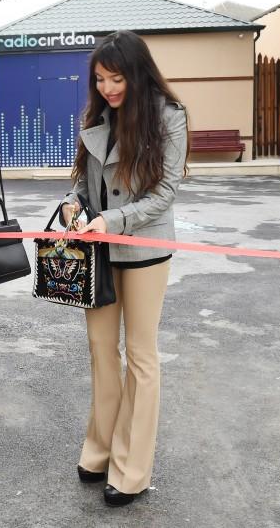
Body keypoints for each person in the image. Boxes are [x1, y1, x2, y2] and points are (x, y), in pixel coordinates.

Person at [61, 30, 189, 506]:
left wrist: (111, 220)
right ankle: (99, 449)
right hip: (97, 250)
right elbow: (81, 181)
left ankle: (131, 469)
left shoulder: (169, 117)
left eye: (116, 79)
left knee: (140, 356)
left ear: (137, 74)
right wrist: (73, 205)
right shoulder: (97, 117)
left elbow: (165, 194)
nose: (108, 89)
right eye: (100, 80)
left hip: (144, 251)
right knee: (100, 350)